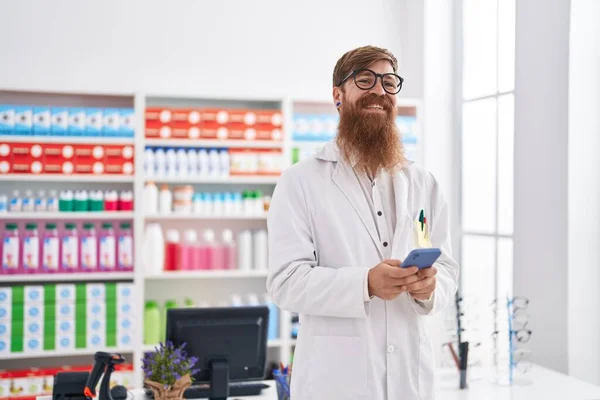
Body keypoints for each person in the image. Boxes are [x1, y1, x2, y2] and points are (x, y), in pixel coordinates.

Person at [266, 45, 459, 400]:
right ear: (338, 96)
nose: (379, 92)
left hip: (409, 379)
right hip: (336, 382)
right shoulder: (301, 182)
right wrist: (365, 283)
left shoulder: (421, 182)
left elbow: (446, 266)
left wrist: (431, 287)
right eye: (365, 80)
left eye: (389, 82)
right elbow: (285, 281)